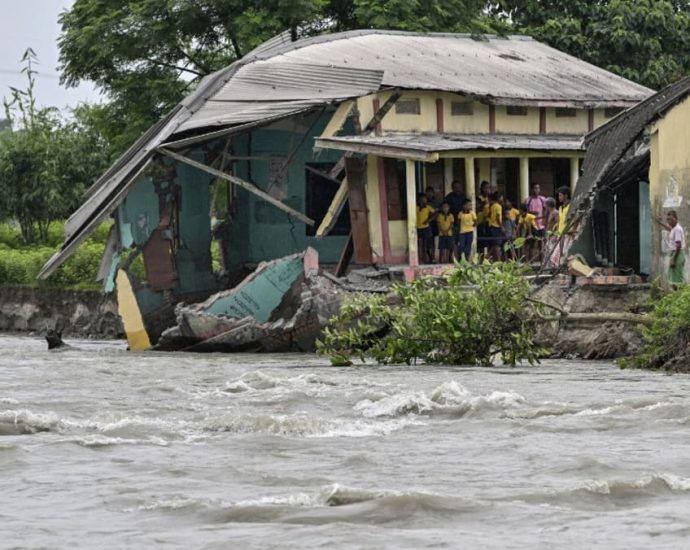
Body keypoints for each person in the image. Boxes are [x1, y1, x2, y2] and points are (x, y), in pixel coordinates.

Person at [654, 210, 686, 285]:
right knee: (674, 278)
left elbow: (679, 245)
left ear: (676, 219)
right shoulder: (674, 228)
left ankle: (681, 294)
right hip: (675, 254)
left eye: (670, 219)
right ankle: (678, 294)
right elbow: (669, 229)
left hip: (677, 254)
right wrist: (660, 222)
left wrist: (673, 259)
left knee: (677, 280)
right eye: (667, 219)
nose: (669, 221)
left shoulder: (677, 229)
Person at [524, 183, 547, 260]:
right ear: (531, 189)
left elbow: (545, 210)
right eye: (535, 188)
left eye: (538, 188)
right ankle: (530, 262)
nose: (537, 190)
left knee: (541, 244)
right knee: (531, 244)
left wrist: (544, 220)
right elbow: (525, 212)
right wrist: (532, 213)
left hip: (541, 225)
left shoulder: (542, 199)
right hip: (531, 225)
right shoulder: (528, 200)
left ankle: (542, 261)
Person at [416, 192, 436, 264]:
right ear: (418, 200)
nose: (423, 201)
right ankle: (421, 260)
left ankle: (429, 259)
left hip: (426, 228)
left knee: (428, 244)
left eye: (424, 199)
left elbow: (435, 214)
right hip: (418, 228)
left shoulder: (428, 207)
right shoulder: (416, 207)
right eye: (421, 199)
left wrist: (428, 220)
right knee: (420, 244)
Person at [542, 197, 560, 268]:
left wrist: (554, 234)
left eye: (545, 205)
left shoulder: (555, 212)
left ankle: (552, 267)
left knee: (552, 252)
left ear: (548, 205)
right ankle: (548, 267)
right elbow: (544, 223)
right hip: (549, 235)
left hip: (553, 236)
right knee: (547, 252)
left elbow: (558, 224)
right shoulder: (549, 213)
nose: (544, 206)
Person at [487, 191, 503, 262]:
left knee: (494, 244)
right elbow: (498, 217)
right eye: (501, 197)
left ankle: (490, 258)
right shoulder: (499, 206)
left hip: (491, 226)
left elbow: (489, 215)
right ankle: (497, 260)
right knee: (497, 245)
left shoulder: (492, 205)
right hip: (496, 227)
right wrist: (502, 226)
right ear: (499, 198)